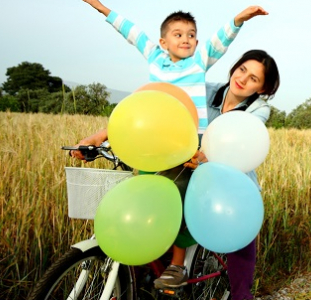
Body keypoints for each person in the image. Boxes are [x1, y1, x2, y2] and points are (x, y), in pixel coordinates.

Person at [71, 49, 280, 299]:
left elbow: (239, 139)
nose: (243, 79)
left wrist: (206, 153)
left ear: (262, 88)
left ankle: (240, 294)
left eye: (254, 79)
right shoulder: (203, 90)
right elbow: (155, 110)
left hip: (230, 178)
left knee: (239, 231)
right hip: (187, 164)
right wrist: (103, 135)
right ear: (235, 67)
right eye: (242, 69)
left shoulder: (258, 110)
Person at [81, 0, 268, 134]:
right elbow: (133, 32)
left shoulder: (198, 62)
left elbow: (219, 41)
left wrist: (239, 19)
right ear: (163, 42)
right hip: (157, 128)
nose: (185, 39)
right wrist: (102, 8)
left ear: (196, 42)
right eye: (178, 35)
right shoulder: (155, 57)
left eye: (191, 35)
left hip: (191, 133)